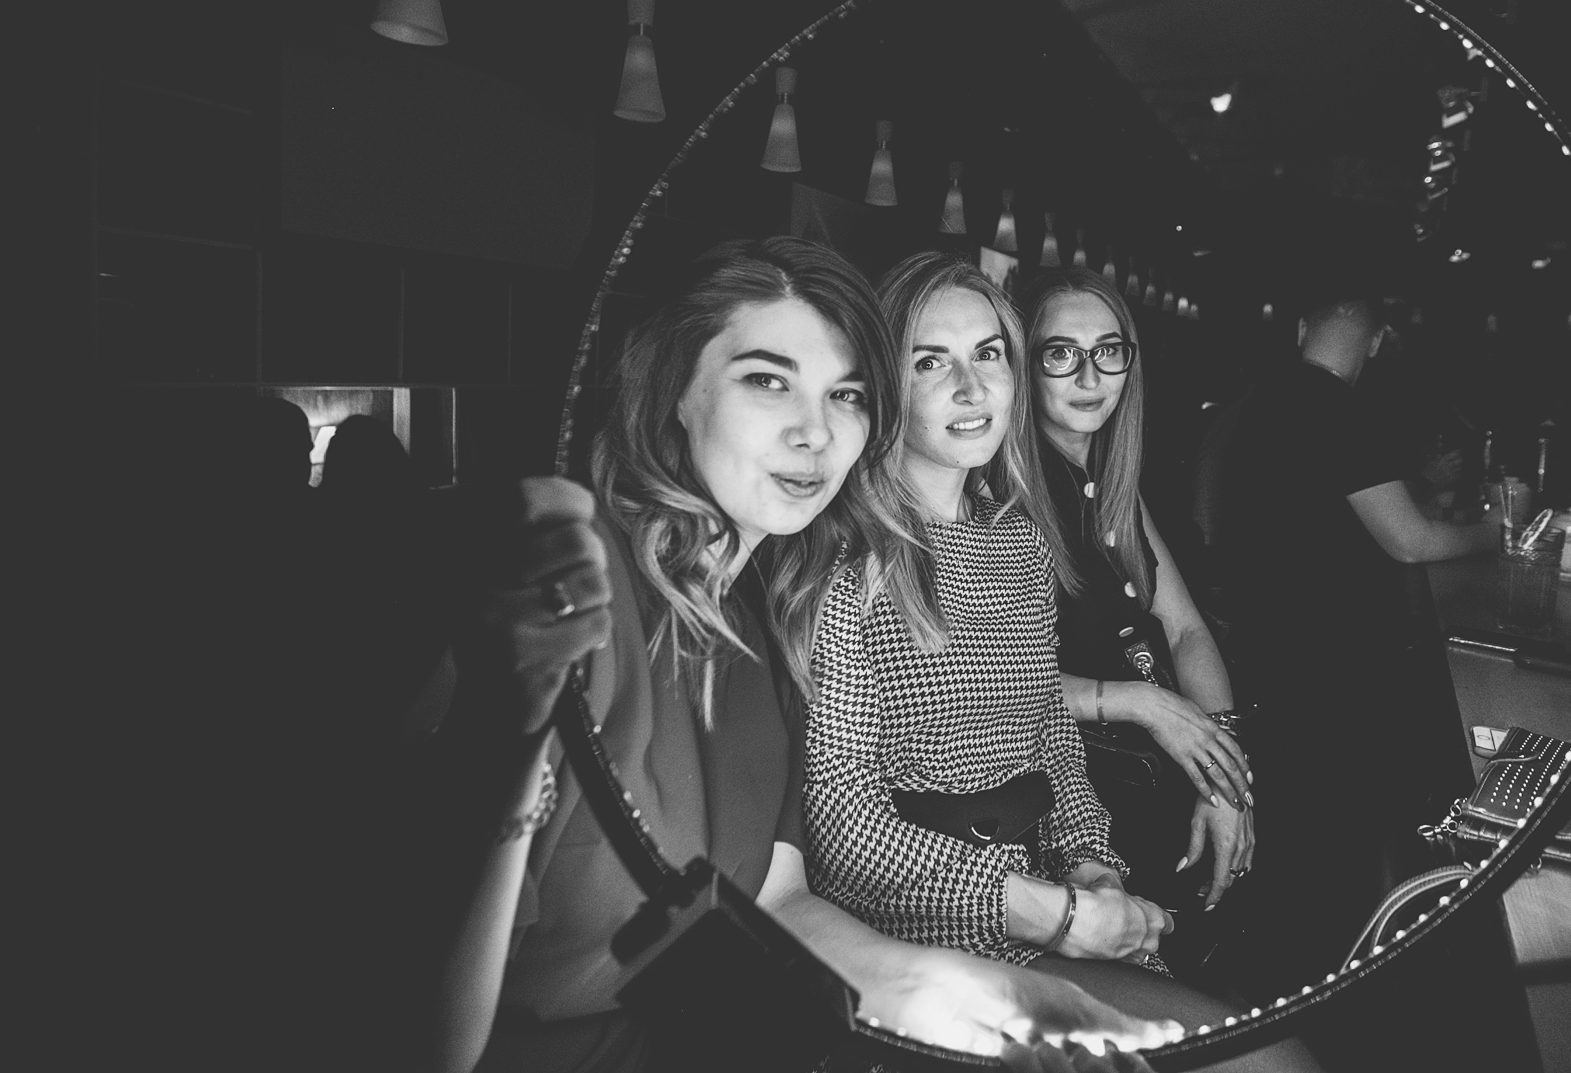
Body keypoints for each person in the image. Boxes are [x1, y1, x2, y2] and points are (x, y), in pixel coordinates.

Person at [412, 239, 1179, 1073]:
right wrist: (499, 736)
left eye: (845, 394)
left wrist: (979, 995)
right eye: (767, 380)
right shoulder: (572, 586)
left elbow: (781, 906)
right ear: (675, 392)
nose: (814, 430)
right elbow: (408, 1036)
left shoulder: (761, 627)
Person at [803, 253, 1320, 1073]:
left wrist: (1091, 864)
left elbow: (1047, 732)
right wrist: (1057, 914)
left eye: (988, 354)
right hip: (923, 931)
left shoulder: (1017, 540)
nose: (971, 387)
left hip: (1051, 893)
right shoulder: (845, 558)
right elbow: (842, 823)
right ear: (883, 382)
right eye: (931, 361)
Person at [1210, 283, 1500, 988]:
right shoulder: (1335, 406)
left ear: (1301, 327)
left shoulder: (1267, 398)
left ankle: (1288, 964)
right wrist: (1503, 534)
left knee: (1302, 846)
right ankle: (1334, 977)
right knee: (1331, 849)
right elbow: (1410, 541)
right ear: (1374, 342)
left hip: (1268, 648)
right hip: (1324, 671)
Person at [1018, 268, 1253, 943]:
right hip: (1086, 794)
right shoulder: (998, 498)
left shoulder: (1112, 481)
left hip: (1170, 762)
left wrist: (1223, 776)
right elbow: (987, 684)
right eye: (1061, 353)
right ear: (1024, 365)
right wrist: (1142, 703)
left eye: (1109, 351)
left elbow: (1184, 631)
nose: (1090, 376)